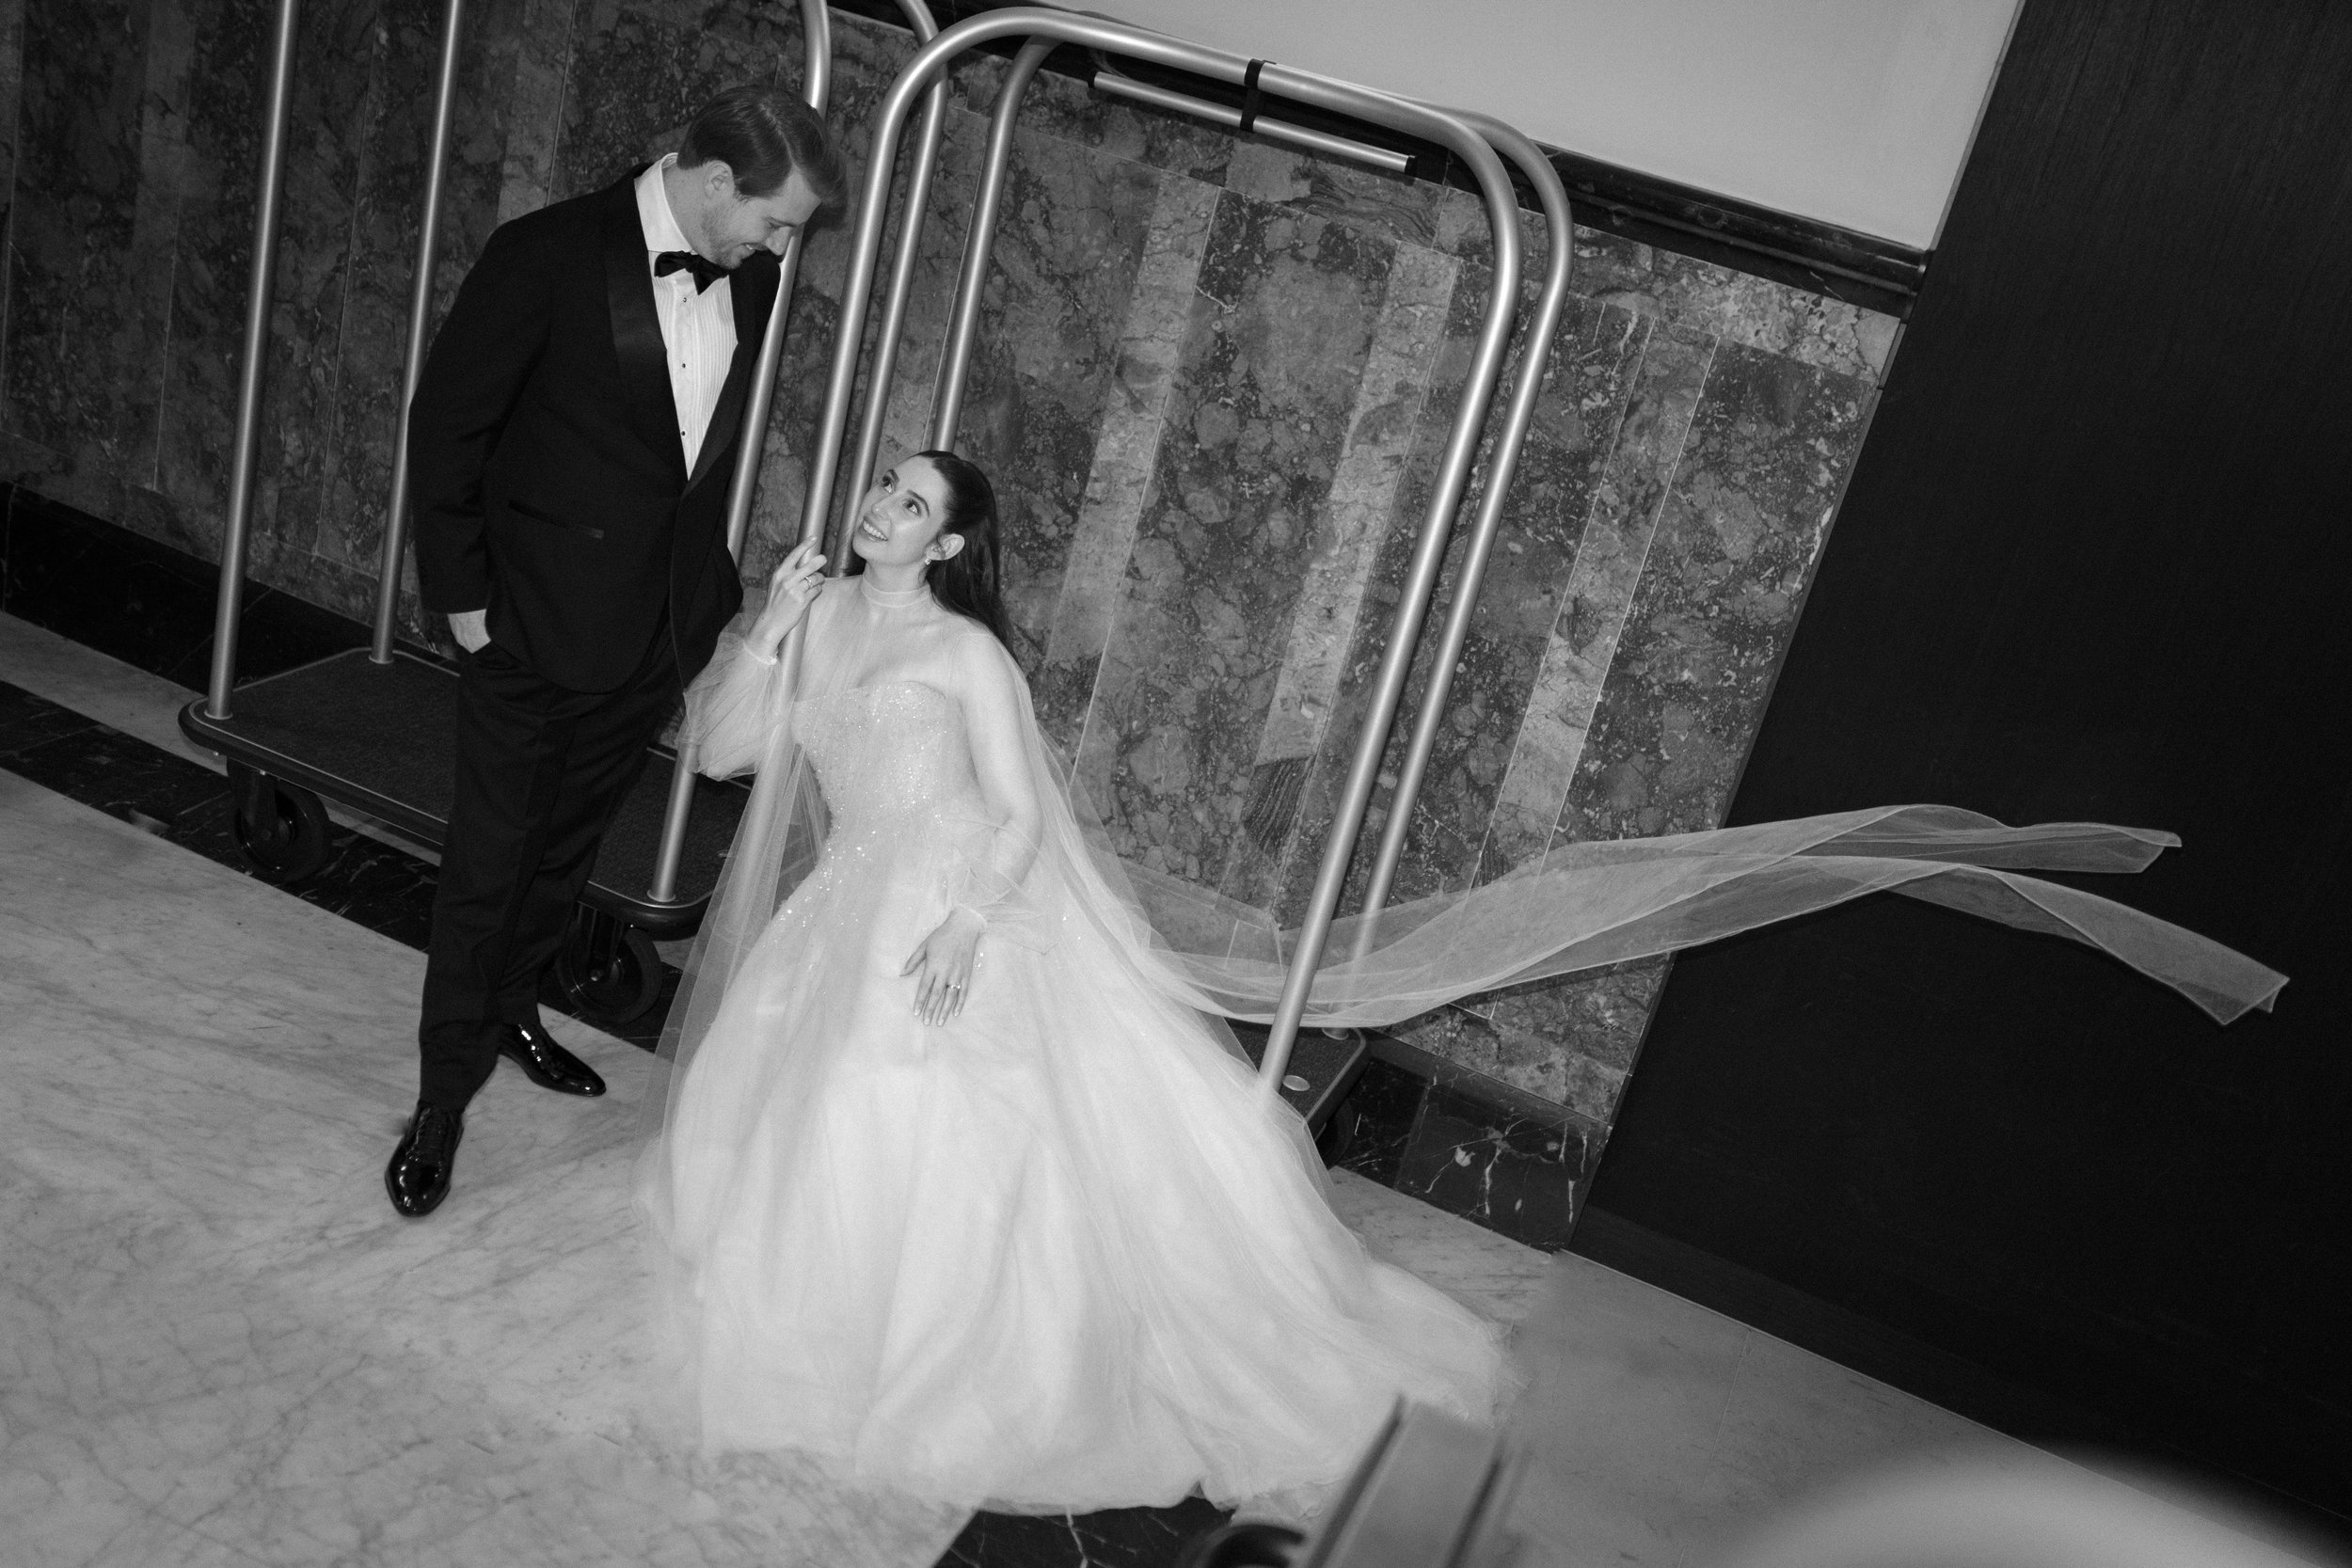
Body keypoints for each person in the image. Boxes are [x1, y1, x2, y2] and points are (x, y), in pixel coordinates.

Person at [635, 451, 2284, 1513]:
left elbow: (1015, 814)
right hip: (843, 899)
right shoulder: (828, 615)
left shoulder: (966, 654)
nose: (881, 517)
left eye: (914, 505)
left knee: (932, 1135)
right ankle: (811, 1306)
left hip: (942, 910)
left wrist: (973, 916)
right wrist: (771, 631)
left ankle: (941, 1350)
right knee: (798, 1122)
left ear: (961, 537)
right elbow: (721, 757)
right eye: (878, 497)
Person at [386, 86, 849, 1219]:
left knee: (565, 849)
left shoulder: (746, 271)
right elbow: (448, 429)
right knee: (491, 865)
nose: (784, 248)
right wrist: (466, 606)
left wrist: (691, 616)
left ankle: (516, 1009)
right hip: (530, 625)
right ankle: (444, 1095)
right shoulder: (543, 253)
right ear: (707, 182)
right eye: (776, 220)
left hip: (652, 632)